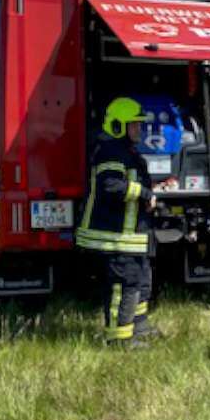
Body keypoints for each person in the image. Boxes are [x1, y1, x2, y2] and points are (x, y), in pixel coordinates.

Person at [76, 97, 162, 345]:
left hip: (131, 237)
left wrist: (152, 189)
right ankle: (120, 339)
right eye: (134, 125)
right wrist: (144, 193)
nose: (139, 130)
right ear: (117, 125)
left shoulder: (127, 152)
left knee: (141, 280)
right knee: (123, 286)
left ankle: (139, 327)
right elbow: (110, 185)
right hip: (114, 236)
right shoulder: (110, 151)